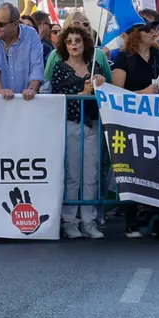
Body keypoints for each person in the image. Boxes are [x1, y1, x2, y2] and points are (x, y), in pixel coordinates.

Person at [47, 24, 110, 239]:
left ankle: (89, 220)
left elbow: (104, 91)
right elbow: (59, 97)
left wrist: (99, 83)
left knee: (90, 175)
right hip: (70, 124)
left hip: (91, 124)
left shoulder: (95, 66)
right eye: (69, 41)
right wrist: (82, 92)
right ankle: (69, 221)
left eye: (78, 40)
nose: (74, 44)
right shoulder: (60, 68)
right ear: (64, 45)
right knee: (72, 176)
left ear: (85, 43)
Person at [0, 2, 42, 100]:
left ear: (15, 25)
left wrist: (31, 90)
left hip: (26, 102)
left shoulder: (31, 34)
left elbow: (36, 66)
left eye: (1, 24)